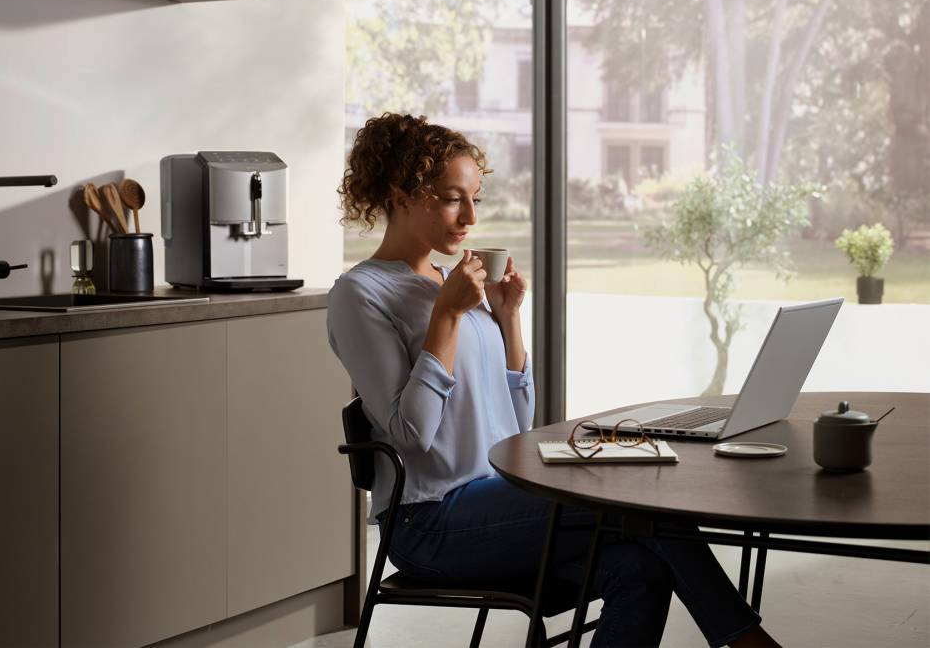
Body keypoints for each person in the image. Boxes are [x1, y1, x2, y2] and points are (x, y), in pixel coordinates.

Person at [327, 112, 780, 648]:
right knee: (641, 501)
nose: (470, 215)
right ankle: (747, 641)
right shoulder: (362, 294)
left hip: (501, 497)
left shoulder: (455, 286)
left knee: (639, 567)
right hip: (430, 522)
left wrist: (508, 317)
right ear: (401, 195)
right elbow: (410, 435)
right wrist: (446, 319)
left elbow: (517, 430)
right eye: (453, 198)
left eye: (476, 198)